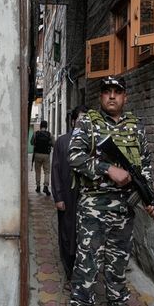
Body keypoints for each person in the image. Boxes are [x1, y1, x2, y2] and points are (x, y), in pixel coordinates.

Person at [67, 76, 154, 306]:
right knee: (88, 261)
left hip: (125, 208)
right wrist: (108, 169)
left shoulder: (135, 127)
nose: (111, 96)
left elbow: (144, 169)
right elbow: (74, 156)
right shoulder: (89, 122)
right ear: (101, 97)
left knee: (119, 262)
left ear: (125, 97)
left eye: (116, 92)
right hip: (94, 206)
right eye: (106, 91)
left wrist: (151, 199)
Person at [50, 105, 88, 281]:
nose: (83, 124)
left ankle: (83, 271)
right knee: (67, 233)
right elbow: (56, 170)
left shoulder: (92, 143)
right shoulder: (62, 142)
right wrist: (58, 196)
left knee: (85, 234)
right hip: (67, 195)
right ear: (73, 121)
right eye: (80, 120)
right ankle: (69, 270)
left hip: (87, 197)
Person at [31, 120, 53, 195]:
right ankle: (46, 186)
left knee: (38, 171)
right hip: (46, 155)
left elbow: (31, 142)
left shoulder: (35, 134)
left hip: (37, 154)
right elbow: (54, 144)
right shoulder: (49, 134)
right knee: (46, 171)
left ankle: (38, 186)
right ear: (46, 126)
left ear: (40, 126)